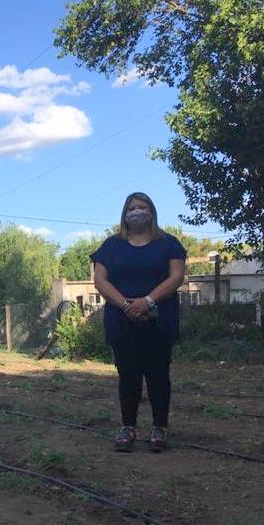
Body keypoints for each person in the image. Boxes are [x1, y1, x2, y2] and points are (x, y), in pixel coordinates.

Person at [91, 192, 186, 453]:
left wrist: (148, 301)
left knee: (158, 375)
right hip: (122, 322)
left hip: (159, 321)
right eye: (131, 208)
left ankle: (159, 428)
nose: (137, 211)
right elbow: (100, 280)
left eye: (142, 207)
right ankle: (128, 427)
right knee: (128, 375)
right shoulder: (111, 246)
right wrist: (126, 305)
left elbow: (177, 276)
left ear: (152, 211)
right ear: (124, 214)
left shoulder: (169, 244)